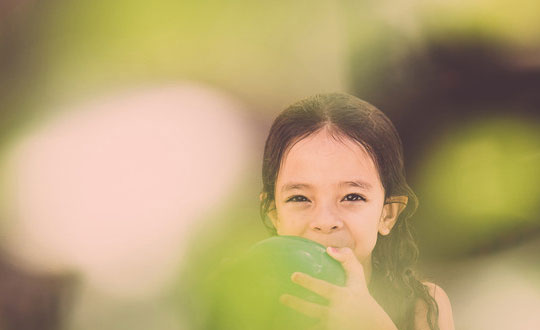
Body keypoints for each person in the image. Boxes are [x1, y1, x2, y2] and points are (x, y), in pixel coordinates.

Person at [259, 93, 455, 330]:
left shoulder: (421, 307)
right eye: (300, 198)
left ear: (388, 214)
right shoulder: (247, 302)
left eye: (352, 197)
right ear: (275, 214)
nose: (325, 221)